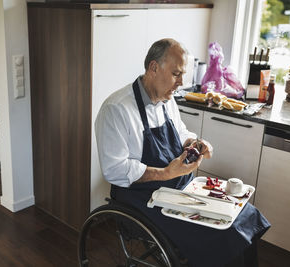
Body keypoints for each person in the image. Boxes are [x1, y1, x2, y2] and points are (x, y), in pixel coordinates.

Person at [95, 38, 270, 267]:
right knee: (223, 235)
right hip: (143, 199)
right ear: (154, 68)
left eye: (182, 74)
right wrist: (166, 173)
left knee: (242, 214)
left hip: (180, 188)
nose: (181, 82)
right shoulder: (116, 109)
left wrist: (195, 142)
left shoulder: (167, 98)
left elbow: (179, 131)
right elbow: (114, 169)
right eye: (176, 74)